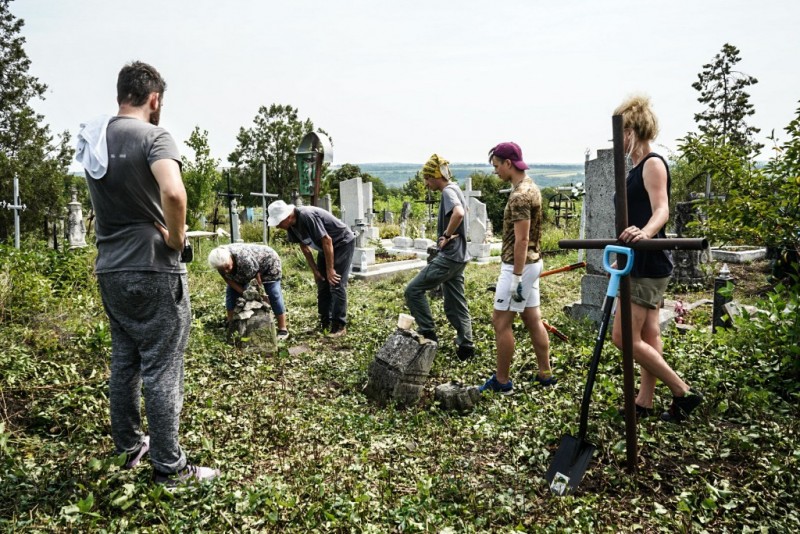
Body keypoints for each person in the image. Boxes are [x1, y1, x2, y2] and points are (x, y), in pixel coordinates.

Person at [78, 61, 219, 485]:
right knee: (162, 366)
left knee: (125, 361)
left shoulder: (94, 141)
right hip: (154, 268)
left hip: (110, 268)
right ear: (153, 98)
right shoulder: (155, 136)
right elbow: (173, 192)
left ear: (121, 94)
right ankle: (170, 468)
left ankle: (127, 448)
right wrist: (176, 240)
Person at [610, 95, 702, 422]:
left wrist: (645, 233)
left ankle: (683, 392)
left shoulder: (651, 163)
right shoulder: (636, 167)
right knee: (649, 336)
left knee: (623, 338)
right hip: (643, 261)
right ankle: (644, 402)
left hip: (646, 262)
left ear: (632, 129)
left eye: (619, 132)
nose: (616, 139)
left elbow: (661, 208)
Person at [479, 142, 554, 395]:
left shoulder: (521, 195)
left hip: (518, 266)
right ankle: (545, 375)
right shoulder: (531, 187)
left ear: (508, 163)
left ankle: (502, 382)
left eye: (497, 165)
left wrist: (516, 278)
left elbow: (522, 239)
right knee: (533, 320)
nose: (495, 171)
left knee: (500, 322)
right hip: (532, 262)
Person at [404, 154, 475, 360]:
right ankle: (466, 347)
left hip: (450, 256)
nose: (426, 183)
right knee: (455, 303)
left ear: (435, 175)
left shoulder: (447, 192)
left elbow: (460, 213)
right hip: (460, 256)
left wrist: (445, 236)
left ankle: (429, 334)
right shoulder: (456, 188)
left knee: (413, 290)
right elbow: (465, 211)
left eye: (427, 178)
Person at [267, 200, 355, 337]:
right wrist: (315, 271)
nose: (278, 226)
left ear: (288, 217)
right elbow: (305, 247)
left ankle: (339, 326)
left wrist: (330, 269)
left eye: (278, 222)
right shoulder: (291, 226)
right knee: (322, 283)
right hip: (325, 248)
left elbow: (327, 240)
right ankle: (325, 323)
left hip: (341, 242)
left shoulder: (306, 216)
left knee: (335, 283)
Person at [207, 244, 289, 340]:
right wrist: (244, 292)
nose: (226, 271)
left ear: (230, 258)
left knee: (273, 293)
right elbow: (228, 280)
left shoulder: (244, 259)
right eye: (222, 269)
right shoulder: (219, 262)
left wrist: (261, 297)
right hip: (247, 268)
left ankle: (283, 328)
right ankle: (231, 324)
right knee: (231, 294)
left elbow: (256, 280)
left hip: (268, 263)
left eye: (227, 267)